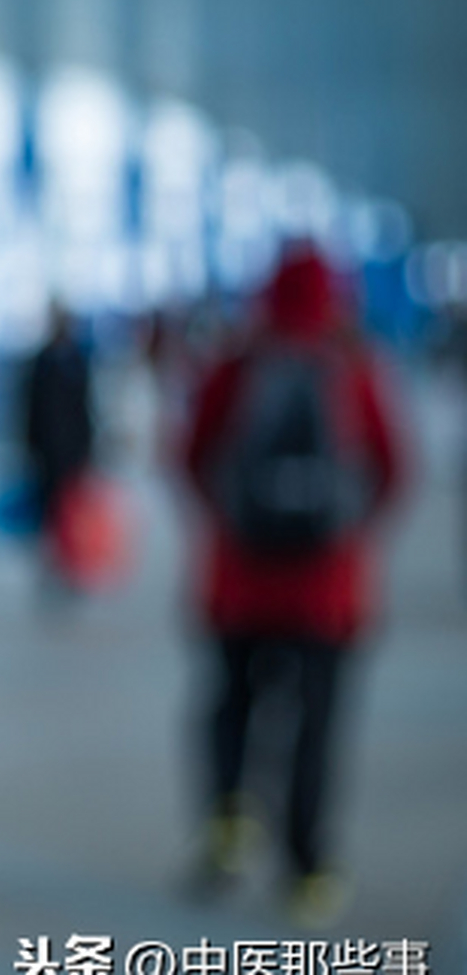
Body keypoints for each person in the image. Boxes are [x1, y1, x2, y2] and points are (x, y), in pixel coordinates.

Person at [181, 244, 404, 927]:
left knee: (230, 709)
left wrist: (233, 523)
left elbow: (192, 455)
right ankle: (308, 871)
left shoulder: (235, 363)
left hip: (240, 586)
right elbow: (392, 466)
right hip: (327, 595)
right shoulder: (353, 366)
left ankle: (227, 826)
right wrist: (345, 532)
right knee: (316, 730)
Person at [21, 303, 96, 600]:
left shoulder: (77, 359)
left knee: (71, 515)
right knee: (49, 516)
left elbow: (86, 408)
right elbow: (29, 409)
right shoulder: (41, 361)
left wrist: (89, 448)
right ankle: (53, 568)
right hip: (46, 453)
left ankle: (70, 567)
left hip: (72, 452)